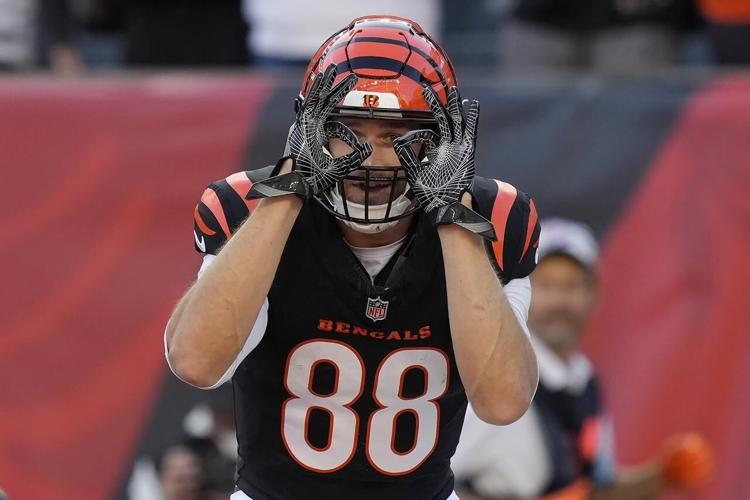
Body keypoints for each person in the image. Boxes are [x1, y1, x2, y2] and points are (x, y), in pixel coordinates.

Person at [165, 15, 541, 500]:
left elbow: (502, 402)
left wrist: (454, 219)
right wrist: (286, 193)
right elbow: (196, 362)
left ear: (443, 140)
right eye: (350, 132)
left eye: (396, 136)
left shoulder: (497, 219)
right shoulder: (248, 207)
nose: (373, 160)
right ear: (311, 129)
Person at [452, 218, 713, 500]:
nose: (560, 301)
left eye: (572, 286)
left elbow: (596, 489)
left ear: (594, 294)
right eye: (547, 285)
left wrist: (662, 476)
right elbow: (439, 487)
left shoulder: (583, 381)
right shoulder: (499, 376)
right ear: (522, 293)